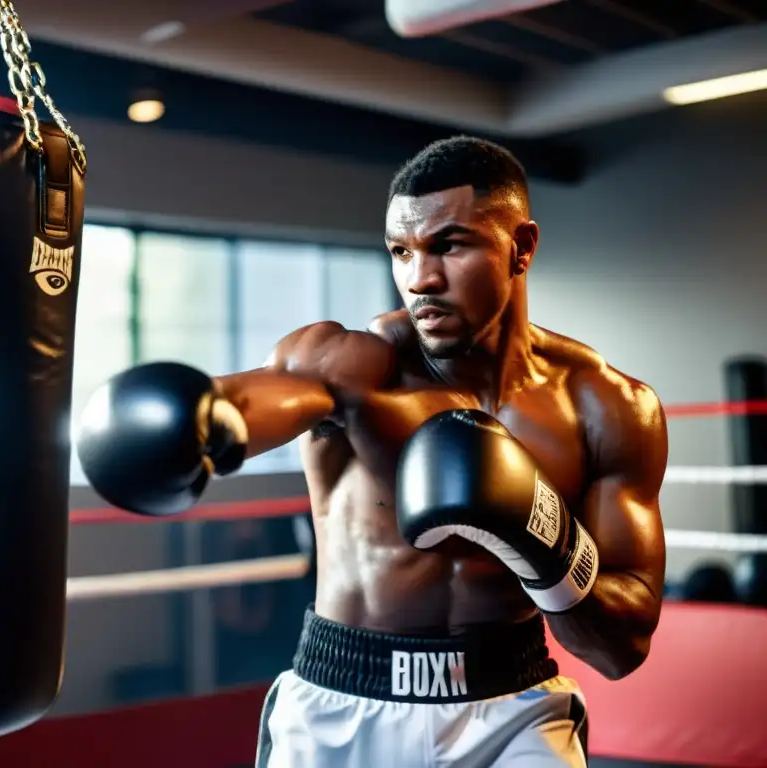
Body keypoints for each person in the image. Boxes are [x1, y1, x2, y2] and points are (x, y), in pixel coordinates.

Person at [76, 136, 668, 766]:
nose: (421, 279)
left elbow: (621, 646)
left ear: (520, 248)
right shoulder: (355, 367)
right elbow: (256, 399)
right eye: (401, 251)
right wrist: (205, 417)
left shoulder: (606, 407)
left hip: (511, 705)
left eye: (449, 245)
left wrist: (543, 538)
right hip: (344, 707)